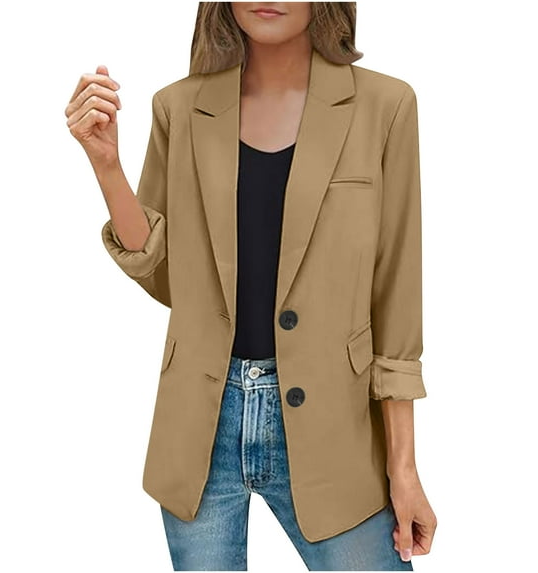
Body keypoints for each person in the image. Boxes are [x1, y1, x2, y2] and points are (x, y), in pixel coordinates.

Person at [65, 2, 437, 570]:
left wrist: (403, 467)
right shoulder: (179, 108)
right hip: (201, 427)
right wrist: (107, 166)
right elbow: (166, 278)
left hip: (337, 428)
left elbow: (396, 293)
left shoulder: (385, 106)